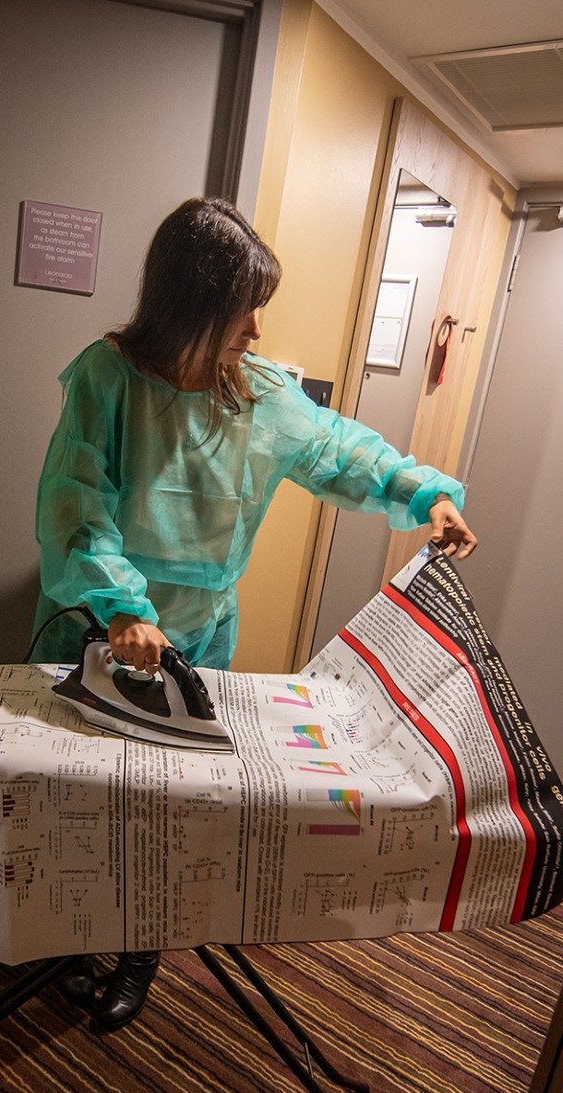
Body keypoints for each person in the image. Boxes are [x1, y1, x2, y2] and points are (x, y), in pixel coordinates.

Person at [29, 196, 477, 1031]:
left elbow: (345, 451)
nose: (258, 330)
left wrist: (426, 495)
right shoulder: (108, 379)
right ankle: (62, 942)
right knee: (78, 795)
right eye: (244, 308)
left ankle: (139, 952)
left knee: (170, 801)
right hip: (100, 626)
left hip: (200, 635)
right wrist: (122, 608)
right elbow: (75, 505)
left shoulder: (260, 394)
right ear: (192, 306)